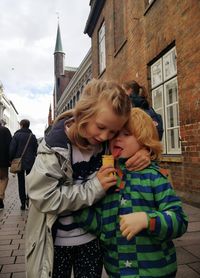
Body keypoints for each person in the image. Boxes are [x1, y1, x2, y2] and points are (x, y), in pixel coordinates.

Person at [25, 79, 150, 278]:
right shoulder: (53, 148)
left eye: (112, 131)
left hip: (92, 240)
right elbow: (44, 197)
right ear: (84, 113)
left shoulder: (105, 145)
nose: (105, 136)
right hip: (55, 244)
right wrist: (95, 187)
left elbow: (136, 140)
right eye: (101, 127)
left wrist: (146, 153)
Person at [75, 108, 188, 278]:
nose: (117, 138)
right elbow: (99, 225)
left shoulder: (154, 177)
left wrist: (147, 220)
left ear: (144, 142)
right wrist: (77, 204)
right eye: (114, 134)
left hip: (156, 270)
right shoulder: (107, 178)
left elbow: (179, 221)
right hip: (117, 270)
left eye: (126, 134)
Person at [9, 119, 38, 210]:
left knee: (21, 182)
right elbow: (36, 150)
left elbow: (12, 149)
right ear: (28, 126)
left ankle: (22, 203)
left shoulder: (16, 136)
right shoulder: (32, 136)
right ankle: (29, 200)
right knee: (30, 182)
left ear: (21, 125)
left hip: (19, 162)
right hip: (30, 162)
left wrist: (10, 159)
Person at [0, 119, 12, 210]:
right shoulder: (5, 130)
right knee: (4, 178)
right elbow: (10, 145)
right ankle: (0, 197)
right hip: (3, 159)